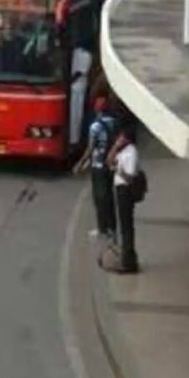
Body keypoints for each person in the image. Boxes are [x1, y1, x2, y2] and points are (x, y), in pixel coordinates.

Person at [75, 97, 117, 240]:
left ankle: (102, 229)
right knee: (110, 196)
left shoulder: (95, 126)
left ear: (97, 110)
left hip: (98, 165)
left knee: (99, 197)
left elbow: (90, 147)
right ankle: (113, 226)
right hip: (111, 164)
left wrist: (80, 163)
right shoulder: (114, 123)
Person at [108, 126, 141, 273]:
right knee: (124, 225)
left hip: (126, 191)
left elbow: (130, 177)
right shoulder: (123, 151)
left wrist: (119, 170)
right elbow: (108, 161)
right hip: (119, 189)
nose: (118, 139)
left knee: (127, 226)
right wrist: (115, 147)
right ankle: (127, 257)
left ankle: (129, 261)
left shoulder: (132, 153)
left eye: (121, 137)